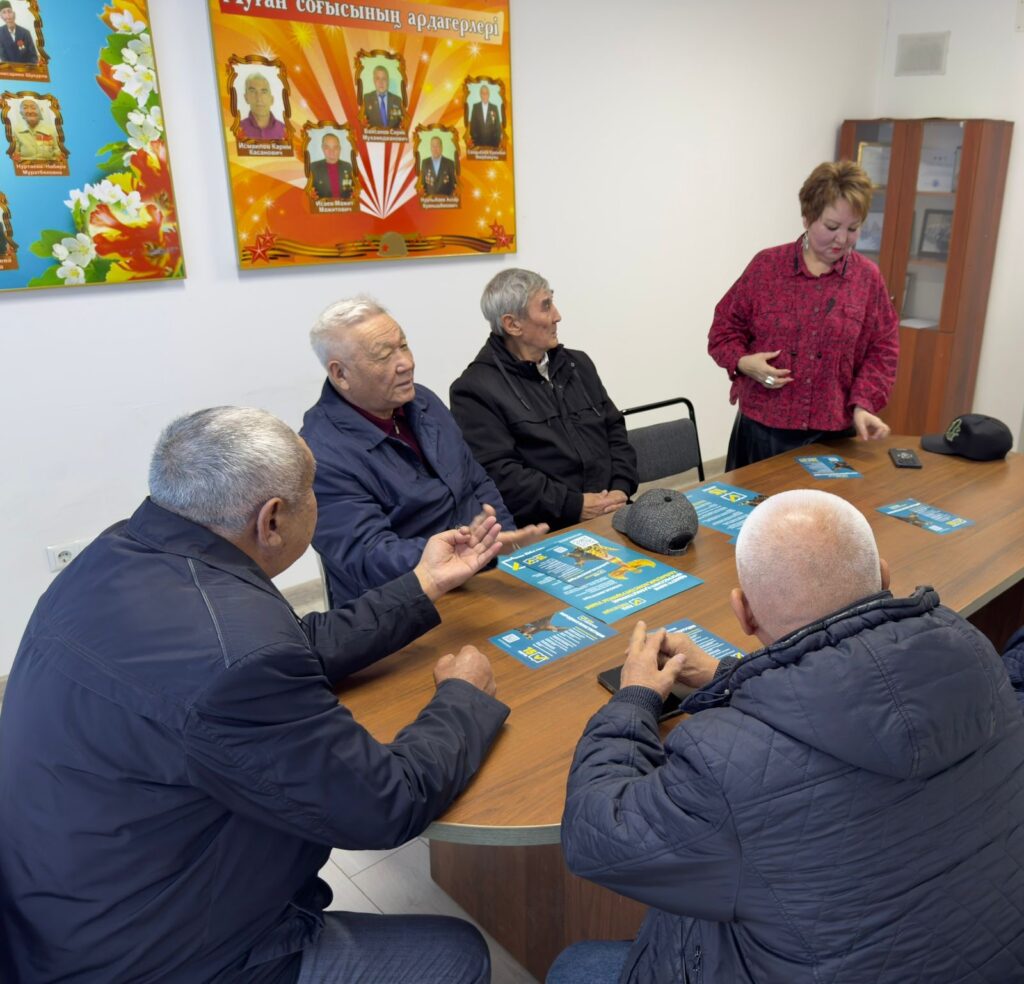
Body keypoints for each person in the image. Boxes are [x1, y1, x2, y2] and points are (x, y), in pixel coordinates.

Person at [0, 406, 511, 983]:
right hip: (148, 959)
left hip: (58, 911)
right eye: (312, 490)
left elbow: (281, 648)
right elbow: (386, 806)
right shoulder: (238, 656)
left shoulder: (118, 553)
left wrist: (423, 584)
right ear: (271, 520)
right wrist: (463, 698)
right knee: (458, 953)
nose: (319, 501)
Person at [552, 488, 1024, 983]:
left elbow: (596, 833)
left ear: (744, 613)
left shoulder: (722, 763)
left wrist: (634, 699)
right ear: (884, 577)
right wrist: (730, 676)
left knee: (575, 965)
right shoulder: (977, 657)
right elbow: (856, 700)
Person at [301, 296, 547, 606]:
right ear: (340, 374)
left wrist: (501, 540)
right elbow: (370, 557)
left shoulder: (423, 402)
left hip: (481, 571)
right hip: (405, 602)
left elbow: (477, 481)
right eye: (384, 355)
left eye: (403, 346)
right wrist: (464, 553)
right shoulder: (319, 455)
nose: (406, 363)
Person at [708, 161, 899, 470]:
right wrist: (743, 362)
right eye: (832, 227)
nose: (842, 239)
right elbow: (723, 330)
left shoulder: (867, 279)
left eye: (853, 229)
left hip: (833, 436)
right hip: (762, 433)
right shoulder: (767, 267)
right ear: (807, 217)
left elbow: (883, 350)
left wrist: (863, 405)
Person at [450, 268, 638, 531]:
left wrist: (620, 488)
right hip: (550, 529)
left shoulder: (577, 364)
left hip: (615, 509)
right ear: (512, 324)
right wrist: (575, 505)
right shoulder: (474, 390)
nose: (557, 316)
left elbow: (614, 428)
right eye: (546, 306)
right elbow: (501, 475)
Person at [11, 97, 61, 163]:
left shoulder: (51, 130)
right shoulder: (16, 131)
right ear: (21, 113)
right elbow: (15, 155)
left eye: (33, 108)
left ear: (40, 111)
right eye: (25, 108)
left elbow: (57, 153)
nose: (30, 111)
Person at [239, 71, 286, 140]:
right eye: (252, 91)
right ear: (246, 98)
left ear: (272, 99)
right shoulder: (237, 130)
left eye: (264, 92)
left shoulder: (285, 131)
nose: (259, 98)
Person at [310, 132, 353, 200]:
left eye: (335, 147)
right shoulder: (313, 167)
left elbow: (353, 190)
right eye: (327, 147)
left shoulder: (348, 167)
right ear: (322, 148)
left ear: (339, 149)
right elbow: (309, 193)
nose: (331, 151)